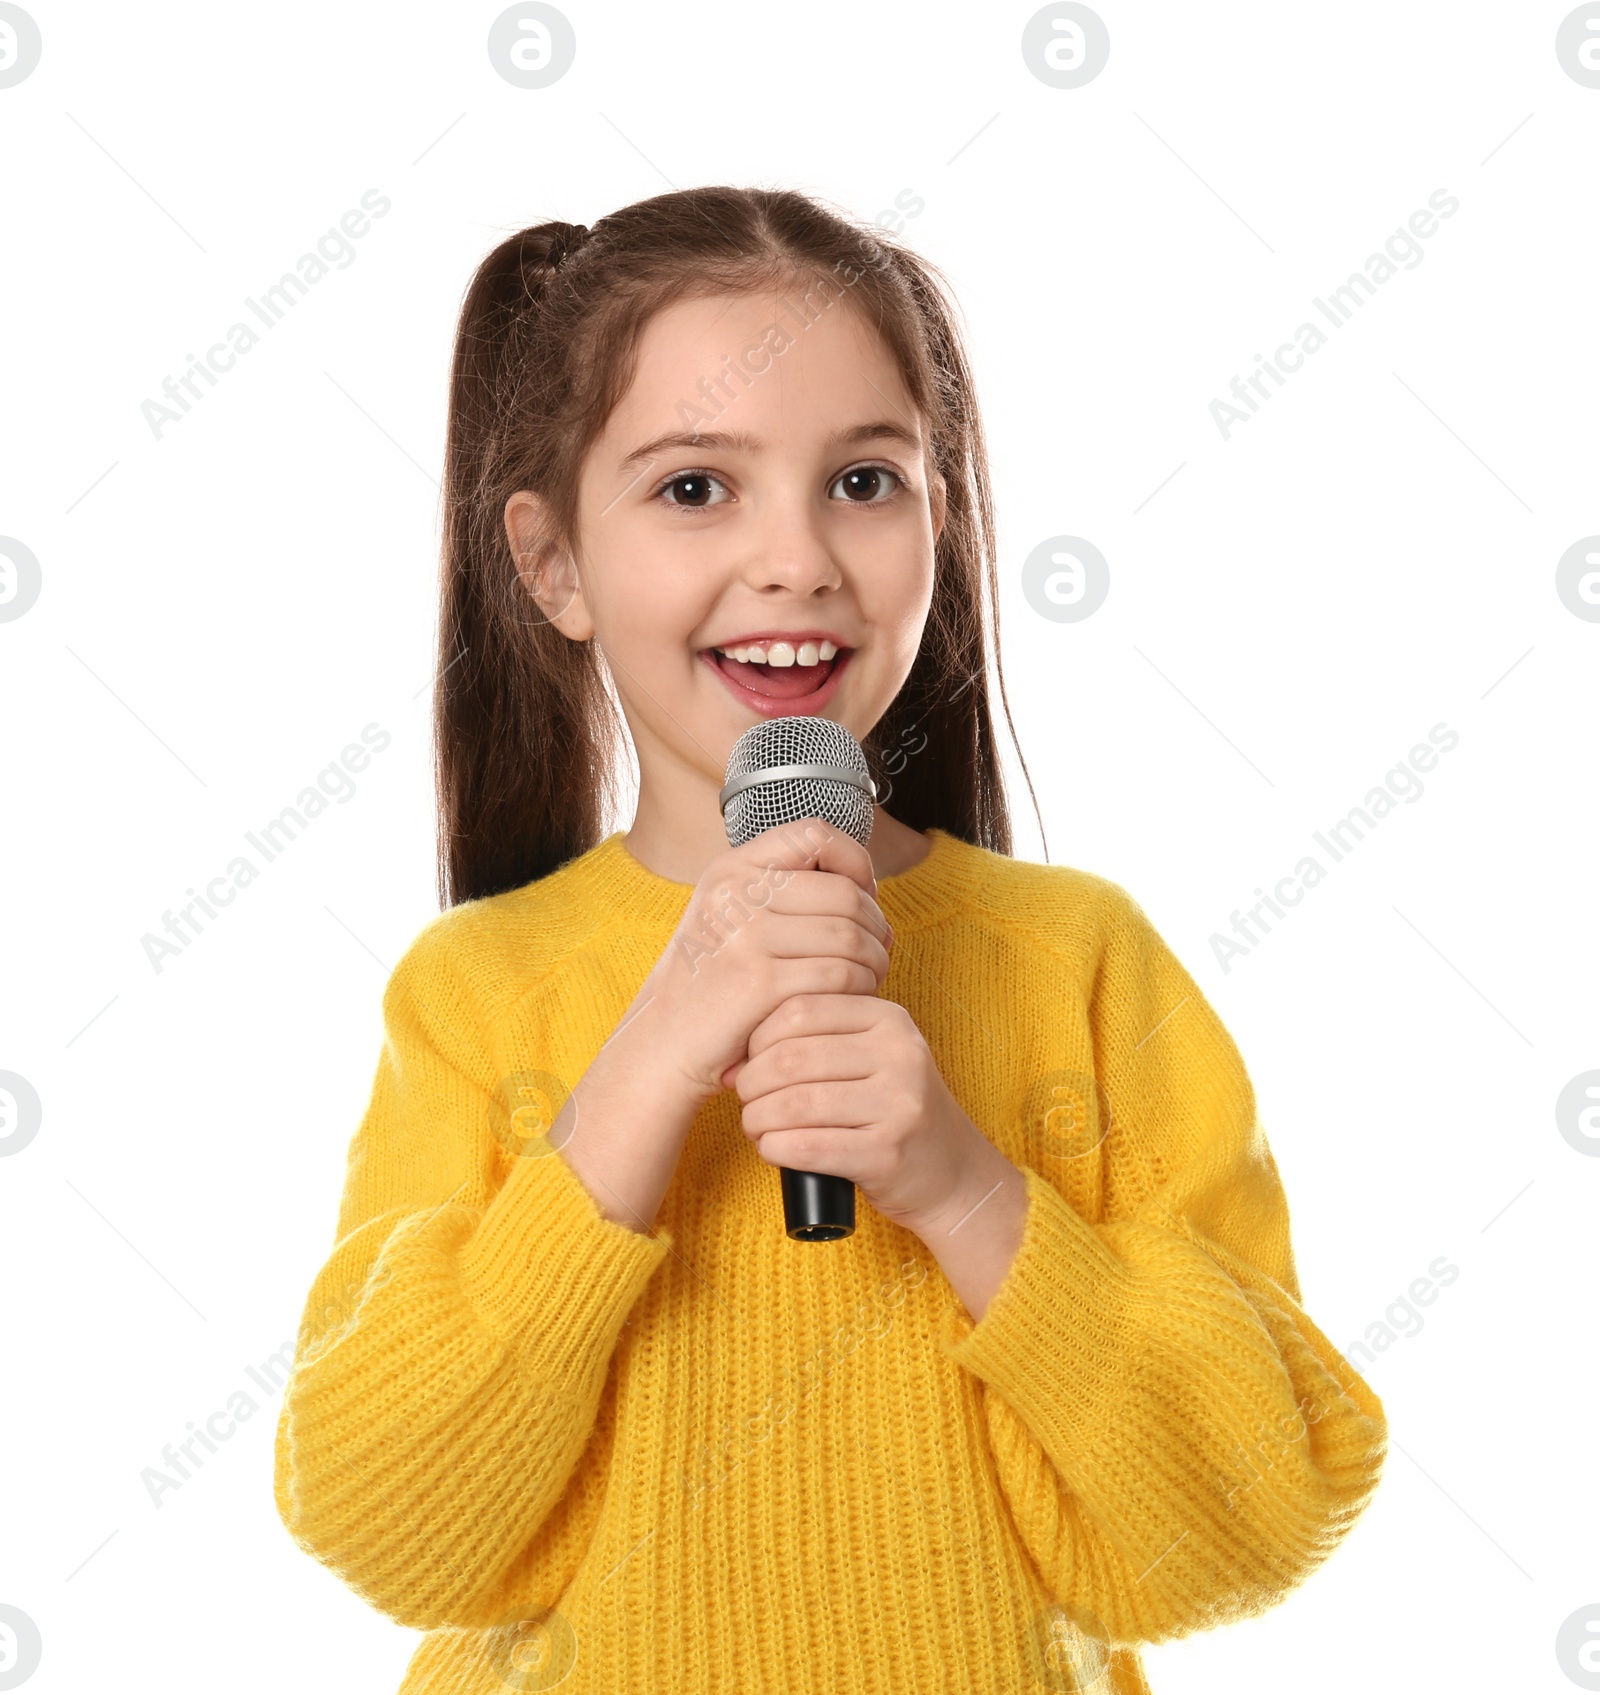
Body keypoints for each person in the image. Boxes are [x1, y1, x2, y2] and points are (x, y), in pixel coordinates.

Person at [272, 186, 1387, 1695]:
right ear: (553, 568)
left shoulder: (1078, 963)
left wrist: (969, 1191)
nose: (797, 559)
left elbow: (1254, 1523)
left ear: (944, 518)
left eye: (865, 481)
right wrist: (644, 1079)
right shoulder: (477, 996)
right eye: (693, 490)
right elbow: (391, 1532)